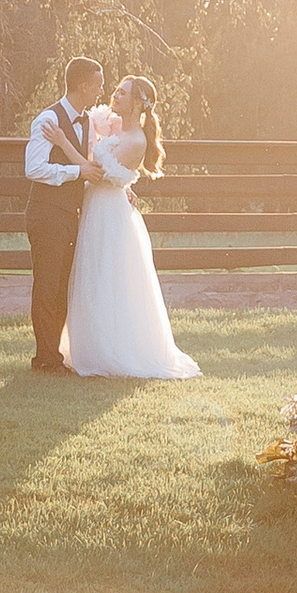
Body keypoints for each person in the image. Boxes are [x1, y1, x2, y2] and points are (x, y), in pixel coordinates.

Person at [66, 75, 201, 380]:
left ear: (138, 103)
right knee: (94, 273)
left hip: (109, 212)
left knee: (109, 277)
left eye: (123, 93)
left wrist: (63, 142)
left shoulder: (137, 140)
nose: (115, 96)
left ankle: (112, 350)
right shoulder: (116, 126)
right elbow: (99, 137)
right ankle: (91, 345)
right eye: (116, 91)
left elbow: (97, 172)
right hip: (97, 205)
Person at [23, 54, 106, 375]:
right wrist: (75, 173)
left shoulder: (88, 122)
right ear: (83, 86)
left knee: (62, 287)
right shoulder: (48, 119)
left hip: (71, 214)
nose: (101, 91)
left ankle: (52, 354)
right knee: (47, 285)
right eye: (98, 85)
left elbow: (91, 165)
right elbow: (34, 168)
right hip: (47, 214)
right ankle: (45, 358)